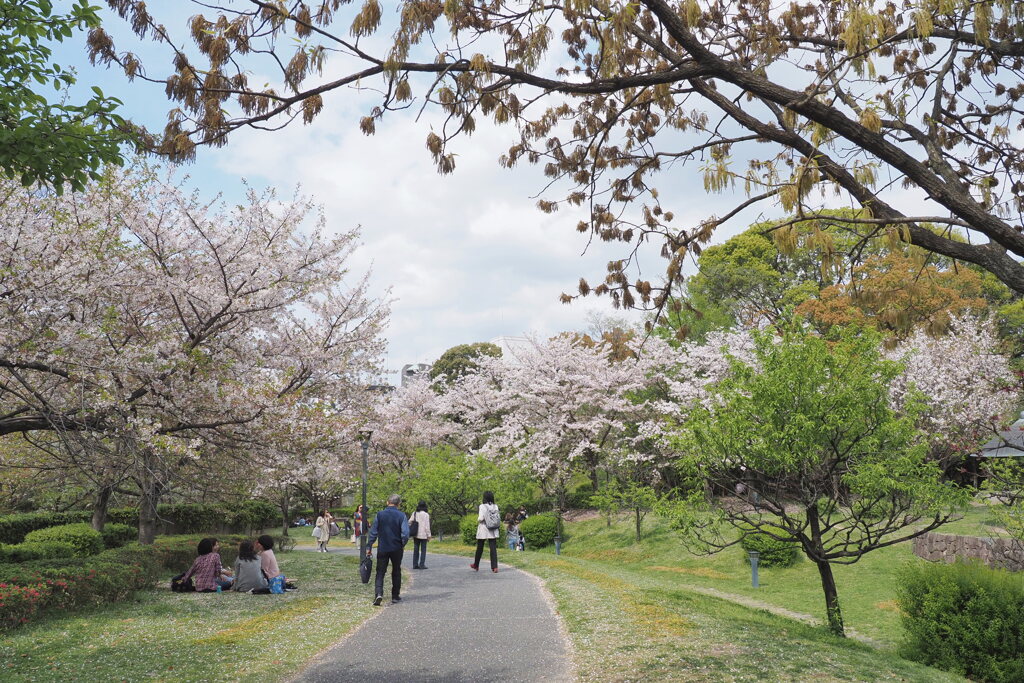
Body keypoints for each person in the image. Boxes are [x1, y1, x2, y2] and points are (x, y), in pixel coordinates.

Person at [366, 493, 409, 605]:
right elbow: (405, 533)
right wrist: (402, 544)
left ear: (387, 502)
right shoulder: (401, 515)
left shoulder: (380, 515)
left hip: (383, 547)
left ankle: (378, 593)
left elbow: (373, 532)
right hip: (396, 547)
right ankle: (395, 596)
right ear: (398, 504)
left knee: (380, 572)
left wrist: (369, 546)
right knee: (396, 570)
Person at [470, 491, 500, 573]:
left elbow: (481, 518)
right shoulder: (495, 506)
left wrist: (478, 519)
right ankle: (495, 567)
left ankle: (476, 565)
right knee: (493, 548)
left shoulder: (482, 506)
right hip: (493, 529)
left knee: (480, 547)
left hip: (484, 528)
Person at [409, 500, 432, 570]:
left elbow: (409, 522)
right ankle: (422, 564)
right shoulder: (426, 515)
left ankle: (415, 564)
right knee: (423, 550)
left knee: (416, 549)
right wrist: (429, 535)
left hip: (416, 534)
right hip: (424, 535)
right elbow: (427, 526)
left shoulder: (415, 513)